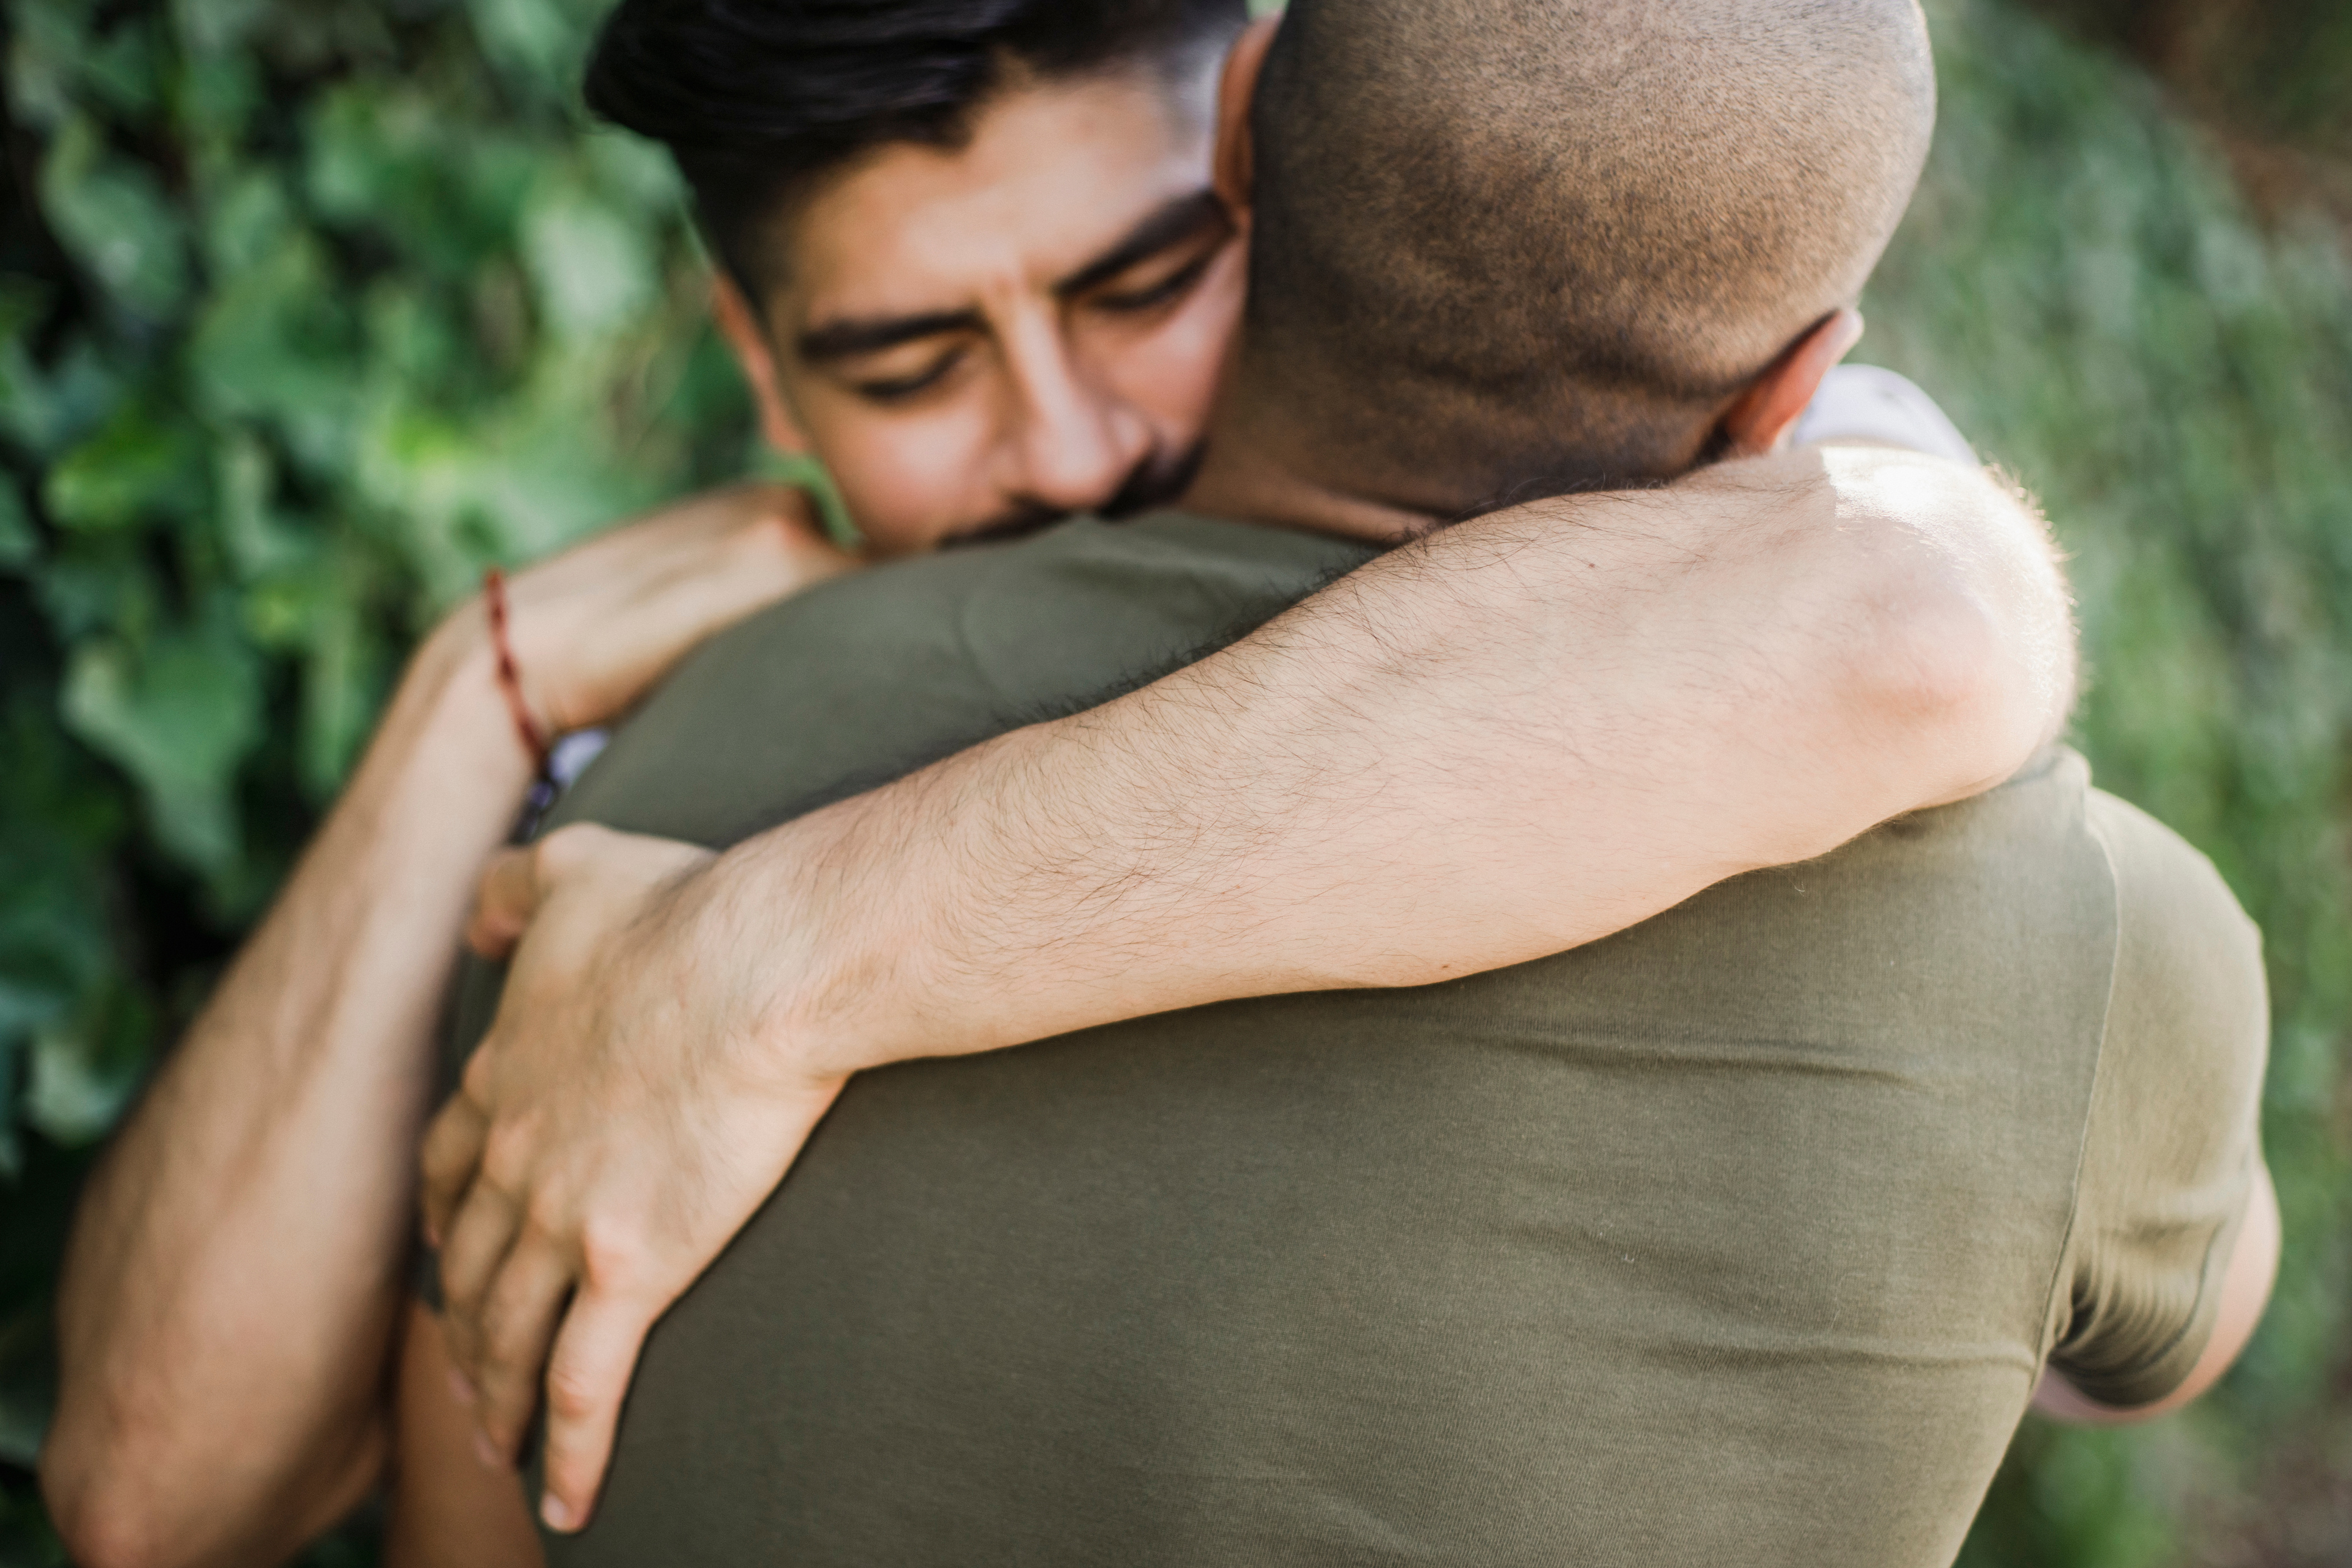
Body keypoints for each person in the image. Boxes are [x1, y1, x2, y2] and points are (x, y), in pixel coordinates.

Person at [31, 2, 2125, 1565]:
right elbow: (147, 1498)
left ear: (1259, 163)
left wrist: (757, 958)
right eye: (908, 362)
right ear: (755, 364)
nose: (1059, 443)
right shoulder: (636, 727)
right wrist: (463, 707)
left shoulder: (1666, 507)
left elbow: (1906, 630)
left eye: (1139, 289)